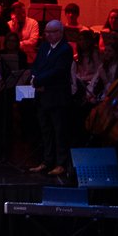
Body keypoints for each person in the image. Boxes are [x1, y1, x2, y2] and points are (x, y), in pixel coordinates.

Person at [28, 19, 75, 176]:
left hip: (57, 96)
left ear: (60, 33)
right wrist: (34, 77)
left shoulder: (65, 49)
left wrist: (39, 80)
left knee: (59, 131)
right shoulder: (44, 47)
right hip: (43, 95)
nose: (47, 35)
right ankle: (47, 161)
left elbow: (59, 71)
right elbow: (36, 65)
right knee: (46, 130)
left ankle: (61, 163)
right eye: (46, 32)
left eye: (51, 32)